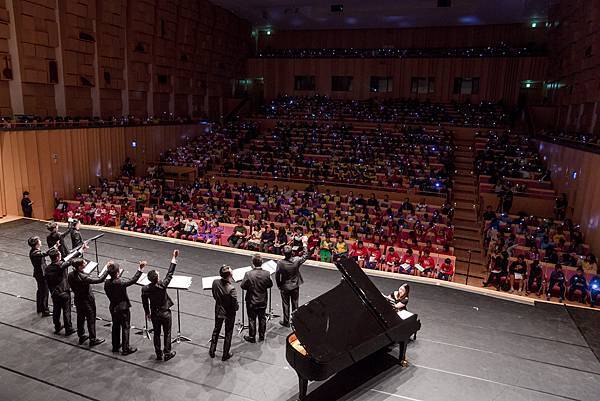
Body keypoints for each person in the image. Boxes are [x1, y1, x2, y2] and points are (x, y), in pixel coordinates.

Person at [141, 249, 179, 361]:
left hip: (154, 313)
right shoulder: (162, 285)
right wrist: (174, 258)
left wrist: (147, 313)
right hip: (165, 312)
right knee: (167, 333)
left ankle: (158, 353)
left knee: (156, 334)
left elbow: (144, 302)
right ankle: (167, 353)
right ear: (157, 278)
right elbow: (170, 274)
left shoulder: (145, 289)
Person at [104, 260, 145, 355]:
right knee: (125, 327)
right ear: (118, 272)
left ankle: (115, 346)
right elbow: (133, 280)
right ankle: (125, 349)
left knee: (115, 326)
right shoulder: (120, 283)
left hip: (113, 307)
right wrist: (140, 269)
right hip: (123, 308)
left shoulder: (107, 282)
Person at [45, 244, 86, 335]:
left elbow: (65, 260)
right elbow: (70, 261)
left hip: (54, 292)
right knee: (67, 311)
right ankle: (68, 328)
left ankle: (57, 326)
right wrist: (81, 251)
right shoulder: (60, 266)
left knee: (56, 310)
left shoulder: (48, 268)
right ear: (58, 257)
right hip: (63, 291)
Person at [68, 256, 108, 346]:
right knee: (91, 319)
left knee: (80, 318)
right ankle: (93, 339)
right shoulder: (83, 277)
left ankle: (81, 335)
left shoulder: (70, 275)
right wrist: (107, 270)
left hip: (78, 299)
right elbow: (99, 280)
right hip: (87, 300)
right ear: (80, 267)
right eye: (84, 263)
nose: (86, 263)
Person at [240, 254, 273, 343]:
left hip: (251, 300)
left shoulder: (248, 274)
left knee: (252, 318)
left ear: (252, 263)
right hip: (262, 300)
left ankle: (252, 336)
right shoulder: (267, 273)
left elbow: (243, 286)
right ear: (262, 263)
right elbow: (270, 285)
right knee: (262, 318)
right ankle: (262, 336)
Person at [275, 245, 309, 327]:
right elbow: (305, 256)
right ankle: (295, 321)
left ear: (283, 253)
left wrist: (279, 285)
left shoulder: (280, 263)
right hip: (295, 285)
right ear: (292, 252)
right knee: (295, 303)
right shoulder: (297, 260)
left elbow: (277, 275)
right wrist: (304, 245)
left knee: (285, 304)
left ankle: (286, 322)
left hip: (285, 286)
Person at [210, 265, 239, 361]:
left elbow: (214, 295)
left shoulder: (215, 282)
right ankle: (225, 354)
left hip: (218, 309)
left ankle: (212, 350)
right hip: (229, 313)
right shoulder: (231, 289)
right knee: (228, 332)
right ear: (230, 275)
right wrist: (236, 308)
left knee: (216, 330)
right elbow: (234, 303)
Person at [27, 236, 53, 316]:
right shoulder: (35, 253)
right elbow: (44, 254)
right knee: (44, 292)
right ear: (37, 244)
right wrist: (54, 248)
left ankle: (40, 307)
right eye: (39, 241)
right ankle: (45, 310)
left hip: (39, 274)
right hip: (41, 275)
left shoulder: (34, 251)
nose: (41, 241)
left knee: (40, 291)